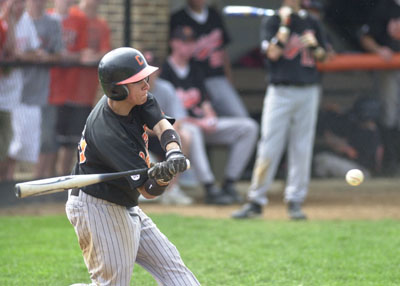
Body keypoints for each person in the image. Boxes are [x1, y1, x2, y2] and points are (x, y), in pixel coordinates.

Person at [66, 47, 200, 286]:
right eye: (139, 81)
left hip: (124, 200)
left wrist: (173, 152)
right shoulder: (108, 132)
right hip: (98, 207)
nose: (147, 85)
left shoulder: (139, 98)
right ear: (119, 89)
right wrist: (164, 176)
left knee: (178, 276)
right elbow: (148, 190)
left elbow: (162, 127)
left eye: (145, 78)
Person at [232, 0, 328, 220]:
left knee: (302, 146)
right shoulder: (273, 21)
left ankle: (295, 200)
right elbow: (273, 53)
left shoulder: (311, 21)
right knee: (269, 145)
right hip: (280, 91)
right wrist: (284, 26)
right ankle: (256, 200)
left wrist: (314, 46)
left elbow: (325, 56)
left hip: (308, 90)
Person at [160, 25, 258, 205]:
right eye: (184, 42)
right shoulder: (164, 71)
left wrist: (210, 117)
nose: (189, 46)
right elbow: (172, 117)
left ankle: (229, 183)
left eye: (192, 42)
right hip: (181, 127)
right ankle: (209, 186)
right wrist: (200, 123)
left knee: (248, 127)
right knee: (193, 132)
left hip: (201, 123)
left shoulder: (196, 68)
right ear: (173, 43)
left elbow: (204, 101)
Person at [5, 0, 63, 180]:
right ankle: (6, 183)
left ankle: (36, 183)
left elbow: (40, 53)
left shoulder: (44, 23)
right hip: (10, 95)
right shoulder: (7, 22)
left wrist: (27, 56)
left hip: (35, 94)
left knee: (36, 143)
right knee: (9, 145)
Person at [170, 0, 249, 118]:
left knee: (241, 118)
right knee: (199, 121)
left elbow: (223, 51)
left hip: (216, 77)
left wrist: (229, 79)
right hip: (192, 81)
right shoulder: (178, 18)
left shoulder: (214, 15)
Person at [37, 0, 88, 178]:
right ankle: (45, 179)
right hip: (48, 90)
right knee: (49, 139)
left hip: (72, 91)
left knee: (69, 141)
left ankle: (62, 181)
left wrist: (61, 56)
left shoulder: (79, 20)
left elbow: (82, 54)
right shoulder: (47, 18)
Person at [0, 0, 41, 180]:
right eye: (16, 3)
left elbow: (33, 52)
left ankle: (6, 188)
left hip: (13, 97)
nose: (20, 7)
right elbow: (9, 49)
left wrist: (20, 56)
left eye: (23, 3)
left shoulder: (25, 21)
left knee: (8, 145)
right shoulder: (3, 23)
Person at [359, 0, 400, 175]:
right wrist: (379, 50)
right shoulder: (385, 7)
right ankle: (390, 164)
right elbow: (365, 37)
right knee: (389, 114)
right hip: (390, 68)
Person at [313, 96, 384, 178]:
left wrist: (331, 139)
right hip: (359, 170)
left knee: (322, 159)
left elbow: (350, 152)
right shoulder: (371, 129)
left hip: (360, 172)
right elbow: (344, 117)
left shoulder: (369, 134)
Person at [0, 0, 17, 180]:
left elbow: (12, 50)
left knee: (5, 145)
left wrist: (8, 16)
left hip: (4, 98)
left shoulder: (3, 25)